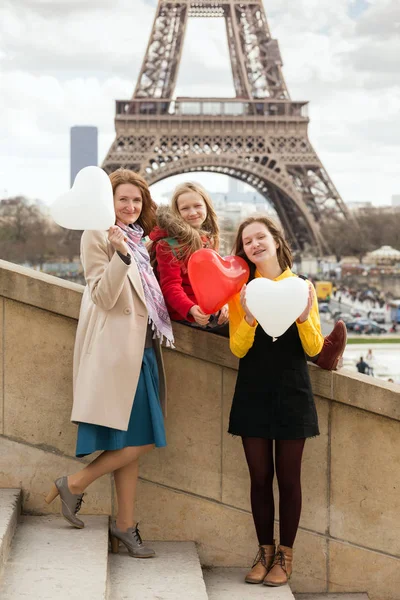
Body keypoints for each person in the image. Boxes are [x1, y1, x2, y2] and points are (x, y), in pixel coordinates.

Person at [45, 169, 174, 559]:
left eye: (137, 200)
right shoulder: (98, 235)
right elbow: (101, 295)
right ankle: (76, 483)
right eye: (123, 200)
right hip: (119, 352)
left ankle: (124, 525)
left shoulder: (142, 240)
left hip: (144, 350)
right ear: (109, 202)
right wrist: (119, 255)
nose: (131, 206)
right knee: (144, 439)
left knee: (130, 441)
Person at [227, 216, 322, 587]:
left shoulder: (303, 287)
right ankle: (264, 551)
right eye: (247, 241)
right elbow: (237, 347)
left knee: (289, 479)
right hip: (253, 390)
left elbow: (314, 347)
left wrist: (302, 318)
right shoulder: (243, 291)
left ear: (276, 239)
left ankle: (286, 556)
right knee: (259, 477)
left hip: (292, 391)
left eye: (259, 237)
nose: (254, 244)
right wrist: (248, 319)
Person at [149, 182, 228, 332]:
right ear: (177, 212)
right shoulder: (168, 245)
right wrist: (190, 308)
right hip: (184, 313)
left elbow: (213, 282)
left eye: (197, 206)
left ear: (207, 207)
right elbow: (171, 286)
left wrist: (223, 304)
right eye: (185, 208)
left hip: (206, 310)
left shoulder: (208, 240)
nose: (192, 212)